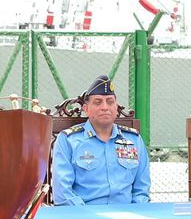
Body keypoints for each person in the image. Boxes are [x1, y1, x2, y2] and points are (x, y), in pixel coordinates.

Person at [51, 75, 150, 204]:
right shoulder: (68, 140)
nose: (105, 107)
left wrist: (135, 215)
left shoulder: (134, 140)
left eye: (110, 102)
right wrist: (88, 218)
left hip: (127, 215)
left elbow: (142, 190)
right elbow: (63, 194)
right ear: (86, 109)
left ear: (116, 108)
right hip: (85, 218)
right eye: (98, 102)